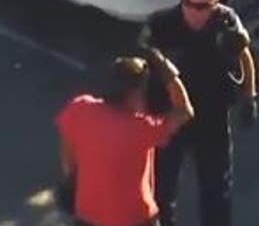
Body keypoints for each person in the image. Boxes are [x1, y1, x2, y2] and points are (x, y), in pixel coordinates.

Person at [141, 0, 258, 226]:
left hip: (211, 114)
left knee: (217, 186)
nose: (194, 11)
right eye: (188, 3)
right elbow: (141, 72)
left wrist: (249, 97)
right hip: (170, 116)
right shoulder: (161, 25)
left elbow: (245, 56)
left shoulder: (226, 23)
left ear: (215, 3)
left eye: (202, 6)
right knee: (162, 186)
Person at [56, 50, 195, 226]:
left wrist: (77, 178)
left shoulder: (81, 108)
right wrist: (169, 72)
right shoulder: (141, 128)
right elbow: (184, 112)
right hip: (135, 218)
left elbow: (67, 154)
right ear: (133, 94)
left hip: (88, 215)